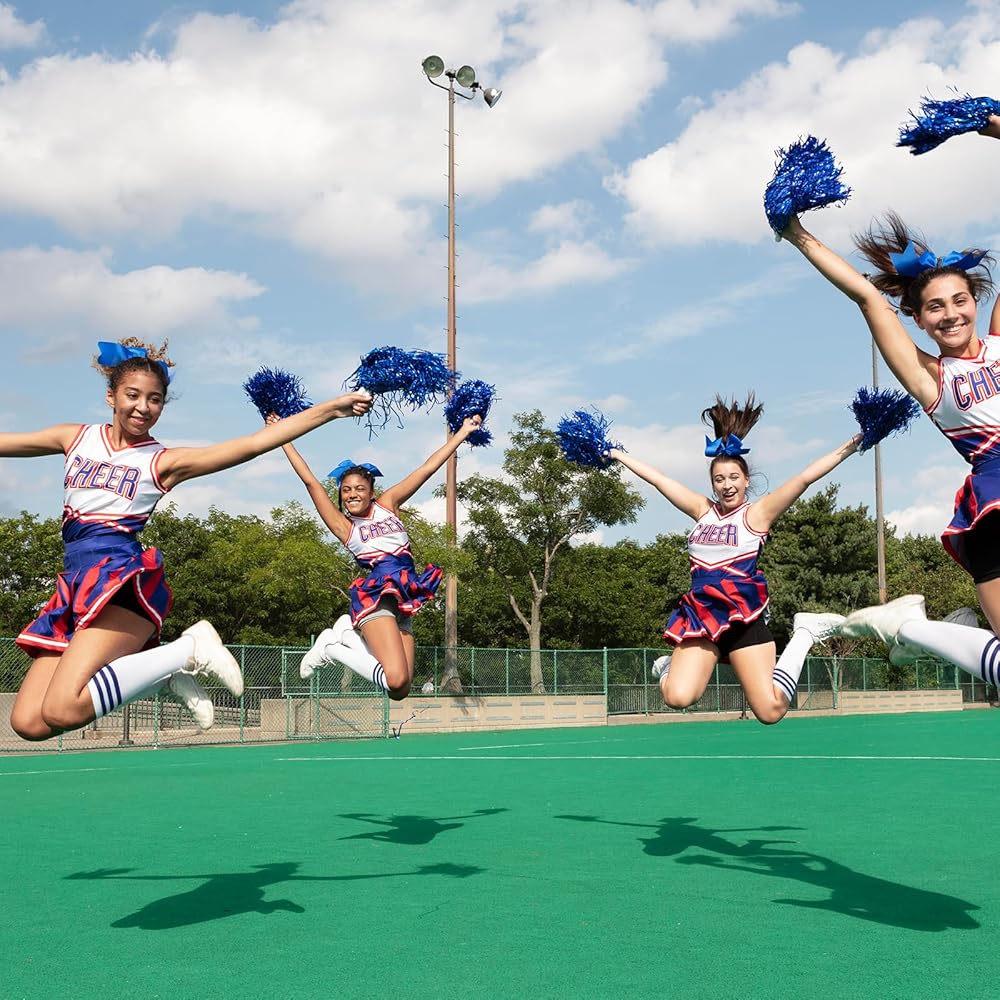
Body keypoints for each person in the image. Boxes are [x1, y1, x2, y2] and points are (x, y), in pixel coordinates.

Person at [5, 339, 372, 741]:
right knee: (29, 722)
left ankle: (189, 649)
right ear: (111, 396)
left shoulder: (162, 461)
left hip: (119, 584)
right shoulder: (74, 438)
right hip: (75, 587)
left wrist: (330, 410)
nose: (143, 407)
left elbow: (251, 445)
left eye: (155, 399)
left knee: (62, 707)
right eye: (132, 395)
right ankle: (166, 671)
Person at [779, 114, 1000, 682]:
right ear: (919, 320)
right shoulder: (931, 378)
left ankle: (917, 629)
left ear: (976, 301)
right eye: (934, 307)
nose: (950, 314)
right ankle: (914, 628)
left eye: (959, 301)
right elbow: (867, 297)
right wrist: (794, 230)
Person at [610, 394, 857, 724]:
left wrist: (854, 443)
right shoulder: (702, 510)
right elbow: (659, 479)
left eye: (733, 478)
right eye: (719, 479)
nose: (727, 486)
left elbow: (805, 478)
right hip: (702, 617)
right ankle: (669, 666)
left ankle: (805, 633)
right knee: (677, 697)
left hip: (743, 617)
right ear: (712, 484)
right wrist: (616, 454)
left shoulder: (757, 514)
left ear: (746, 480)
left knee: (770, 711)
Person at [271, 413, 483, 700]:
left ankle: (344, 636)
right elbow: (310, 481)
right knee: (395, 678)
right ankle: (331, 647)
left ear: (372, 492)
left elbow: (427, 468)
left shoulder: (388, 504)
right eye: (346, 490)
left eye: (359, 488)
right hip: (377, 598)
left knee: (400, 690)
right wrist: (282, 437)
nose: (352, 494)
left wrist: (462, 432)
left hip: (405, 598)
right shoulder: (345, 527)